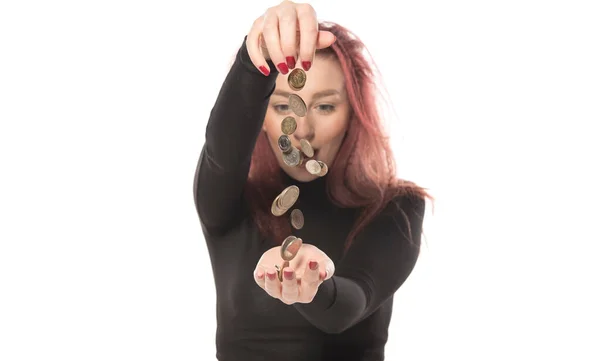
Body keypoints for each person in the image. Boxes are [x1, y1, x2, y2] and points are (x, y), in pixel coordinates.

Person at [193, 1, 431, 360]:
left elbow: (350, 303)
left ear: (353, 113)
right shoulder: (229, 200)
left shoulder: (396, 207)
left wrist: (314, 286)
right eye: (283, 107)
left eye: (324, 107)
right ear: (260, 115)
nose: (301, 130)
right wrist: (253, 58)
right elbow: (220, 150)